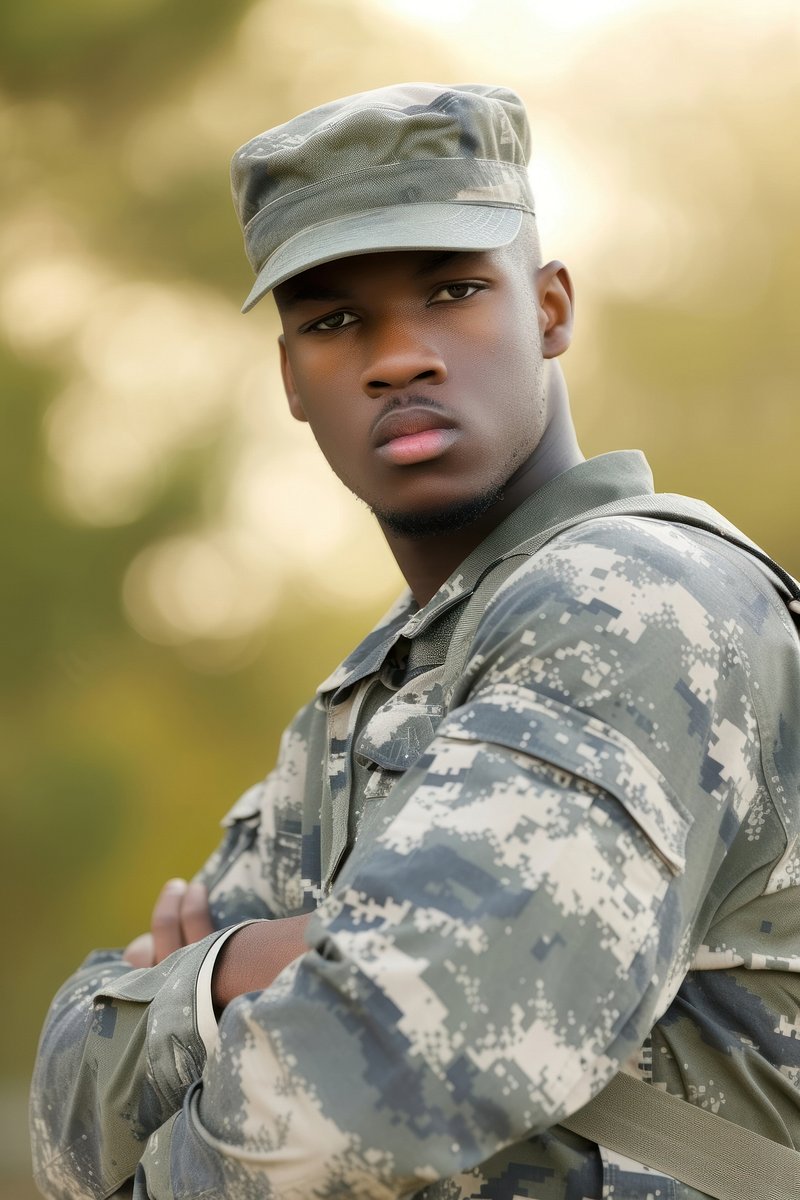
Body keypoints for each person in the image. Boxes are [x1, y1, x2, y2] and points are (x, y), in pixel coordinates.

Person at [30, 83, 800, 1200]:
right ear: (292, 377)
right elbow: (62, 1116)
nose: (398, 358)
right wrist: (241, 973)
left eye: (451, 291)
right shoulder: (373, 692)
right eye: (334, 320)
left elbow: (373, 1090)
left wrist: (209, 1004)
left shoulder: (631, 605)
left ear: (546, 311)